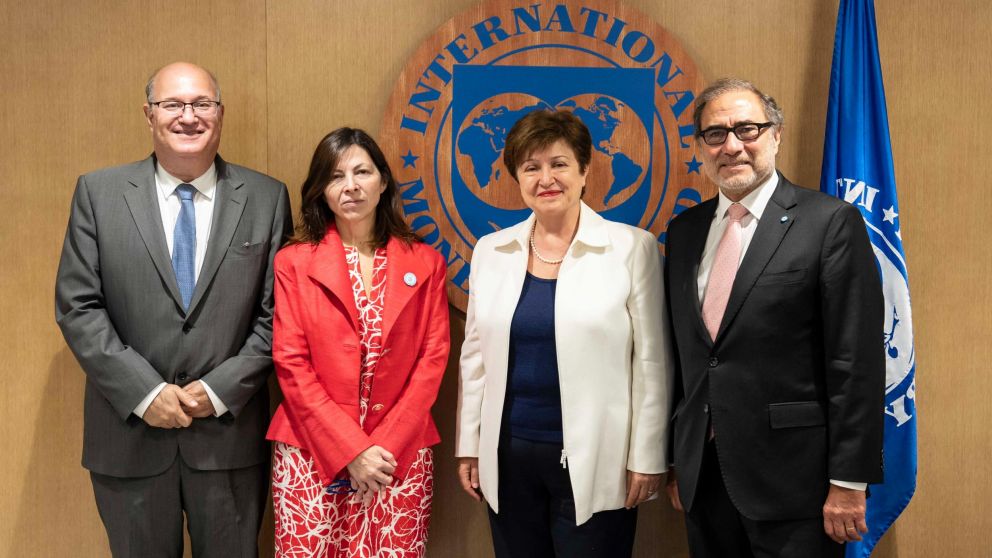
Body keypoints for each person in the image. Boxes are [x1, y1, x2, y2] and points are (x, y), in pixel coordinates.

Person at [54, 62, 293, 557]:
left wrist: (217, 390)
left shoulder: (267, 198)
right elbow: (78, 306)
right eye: (173, 105)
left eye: (202, 104)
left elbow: (280, 316)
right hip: (129, 439)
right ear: (149, 115)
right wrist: (145, 392)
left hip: (228, 441)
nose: (188, 116)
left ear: (220, 114)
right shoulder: (98, 194)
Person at [663, 77, 885, 557]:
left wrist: (849, 480)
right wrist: (678, 460)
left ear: (776, 134)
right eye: (715, 134)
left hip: (797, 484)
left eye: (747, 129)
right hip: (705, 476)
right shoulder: (684, 232)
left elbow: (856, 363)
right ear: (701, 147)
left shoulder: (830, 223)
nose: (732, 145)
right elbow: (684, 358)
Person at [455, 109, 673, 558]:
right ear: (516, 176)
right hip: (508, 456)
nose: (546, 178)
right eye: (531, 167)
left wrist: (648, 456)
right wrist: (469, 446)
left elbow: (652, 363)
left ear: (585, 170)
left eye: (559, 164)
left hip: (600, 458)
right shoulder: (491, 251)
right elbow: (474, 357)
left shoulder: (632, 247)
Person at [266, 127, 449, 557]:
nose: (350, 186)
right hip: (311, 451)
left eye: (362, 172)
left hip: (397, 456)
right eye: (335, 176)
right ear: (320, 191)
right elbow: (291, 363)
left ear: (383, 182)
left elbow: (433, 359)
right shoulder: (294, 262)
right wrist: (350, 450)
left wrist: (378, 449)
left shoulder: (426, 261)